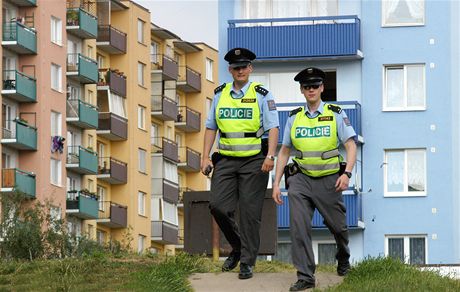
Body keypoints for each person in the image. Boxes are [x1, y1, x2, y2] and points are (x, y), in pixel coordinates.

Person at [272, 67, 357, 291]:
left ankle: (343, 257)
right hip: (300, 179)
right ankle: (305, 276)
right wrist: (276, 183)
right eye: (306, 86)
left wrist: (347, 173)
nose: (311, 89)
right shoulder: (294, 117)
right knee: (298, 227)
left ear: (322, 88)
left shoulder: (336, 113)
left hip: (330, 179)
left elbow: (350, 145)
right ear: (301, 90)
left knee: (338, 228)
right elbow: (284, 151)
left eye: (315, 86)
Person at [201, 47, 279, 280]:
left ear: (250, 69)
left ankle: (247, 262)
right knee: (217, 206)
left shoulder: (262, 94)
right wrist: (205, 156)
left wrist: (270, 156)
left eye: (244, 67)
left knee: (249, 212)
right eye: (236, 67)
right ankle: (237, 246)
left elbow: (273, 127)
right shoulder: (220, 94)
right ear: (230, 70)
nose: (240, 70)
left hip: (254, 161)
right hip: (225, 159)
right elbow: (210, 126)